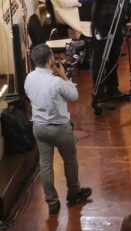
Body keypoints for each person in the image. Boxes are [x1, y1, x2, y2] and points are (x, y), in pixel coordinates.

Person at [24, 44, 91, 214]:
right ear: (50, 60)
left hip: (40, 128)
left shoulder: (29, 78)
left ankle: (52, 201)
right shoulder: (56, 82)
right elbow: (74, 96)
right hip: (60, 128)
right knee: (70, 161)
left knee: (45, 165)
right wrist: (63, 75)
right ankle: (74, 193)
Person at [90, 0, 125, 101]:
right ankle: (99, 93)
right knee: (100, 59)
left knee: (114, 56)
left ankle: (112, 89)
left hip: (117, 16)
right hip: (101, 19)